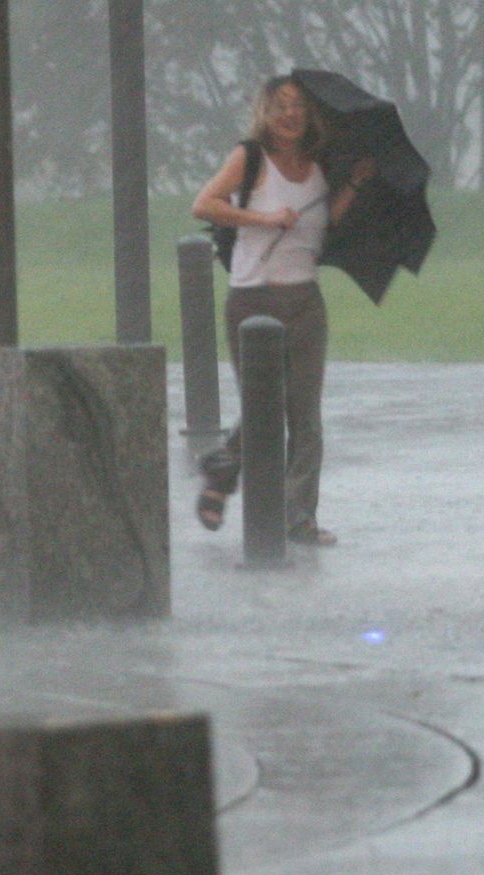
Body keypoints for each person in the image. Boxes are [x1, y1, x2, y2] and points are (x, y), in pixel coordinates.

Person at [191, 74, 374, 547]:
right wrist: (263, 218)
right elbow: (204, 204)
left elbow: (322, 222)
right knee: (263, 409)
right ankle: (224, 469)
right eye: (280, 106)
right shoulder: (248, 158)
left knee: (305, 417)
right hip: (254, 303)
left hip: (305, 302)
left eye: (298, 106)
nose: (290, 114)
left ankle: (300, 519)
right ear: (264, 114)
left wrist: (352, 184)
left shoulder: (317, 165)